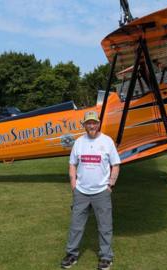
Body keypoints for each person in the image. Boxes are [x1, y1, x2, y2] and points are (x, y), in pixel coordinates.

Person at [61, 111, 121, 270]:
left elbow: (115, 164)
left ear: (99, 123)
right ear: (84, 125)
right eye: (88, 123)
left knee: (105, 226)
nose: (91, 126)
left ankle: (106, 257)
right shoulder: (79, 142)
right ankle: (71, 255)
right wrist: (73, 183)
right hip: (81, 192)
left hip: (101, 192)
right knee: (76, 225)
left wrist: (110, 185)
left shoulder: (107, 141)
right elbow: (72, 163)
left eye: (94, 122)